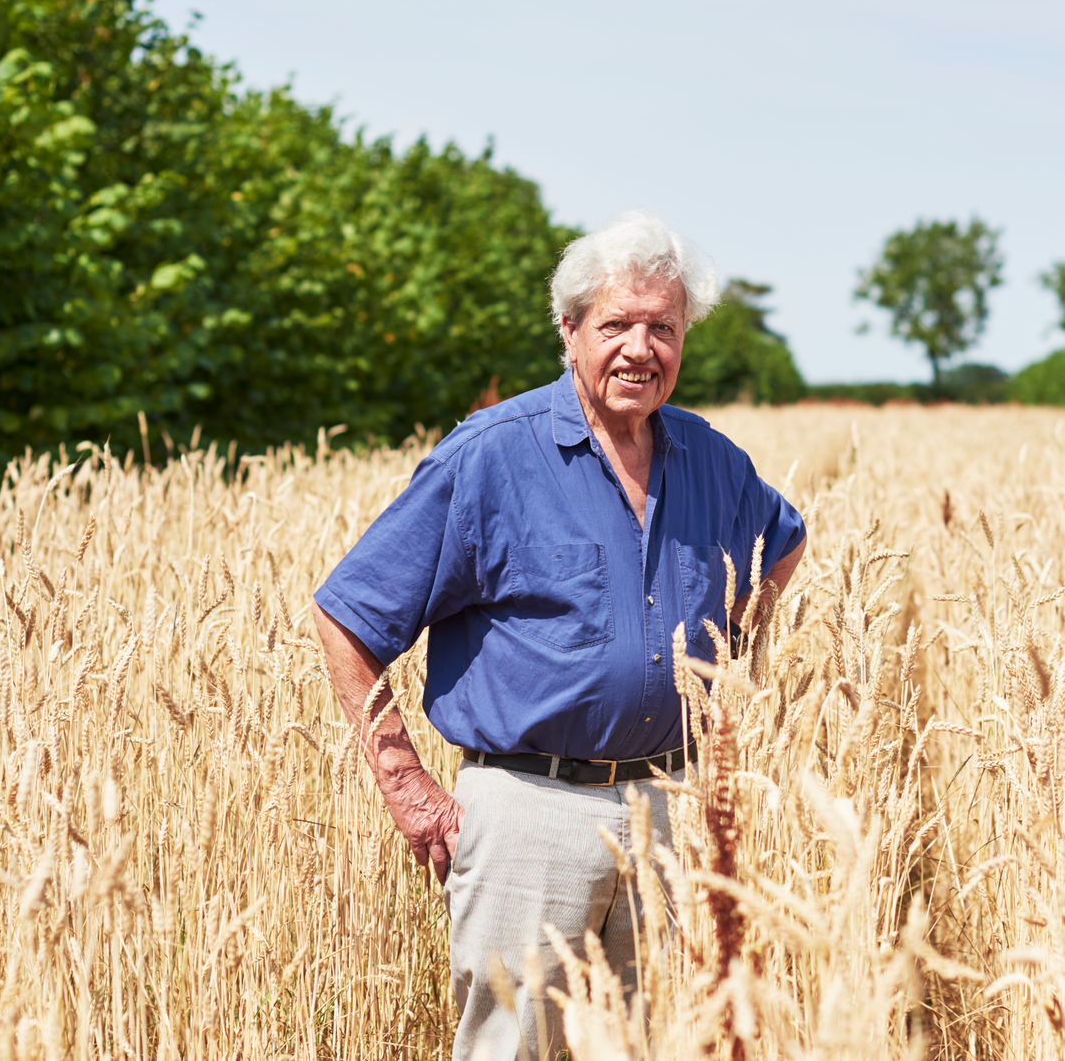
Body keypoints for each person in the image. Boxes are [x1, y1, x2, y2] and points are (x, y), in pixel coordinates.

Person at [311, 211, 807, 1060]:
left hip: (669, 808)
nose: (640, 349)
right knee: (513, 1047)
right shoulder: (493, 456)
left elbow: (782, 544)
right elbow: (348, 614)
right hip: (529, 813)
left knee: (665, 1043)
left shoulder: (711, 459)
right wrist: (408, 787)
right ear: (570, 330)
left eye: (664, 327)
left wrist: (730, 674)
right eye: (616, 324)